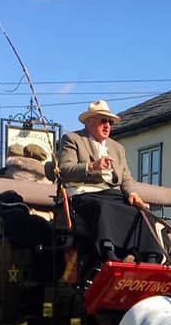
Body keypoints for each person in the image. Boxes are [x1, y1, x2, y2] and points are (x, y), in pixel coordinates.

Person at [56, 100, 158, 270]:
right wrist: (91, 166)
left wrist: (132, 193)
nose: (107, 126)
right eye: (103, 121)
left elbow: (126, 178)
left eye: (110, 122)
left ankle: (149, 257)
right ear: (89, 121)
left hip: (112, 193)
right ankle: (108, 250)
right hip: (84, 193)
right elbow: (65, 169)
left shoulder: (117, 148)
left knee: (143, 212)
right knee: (104, 206)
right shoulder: (73, 140)